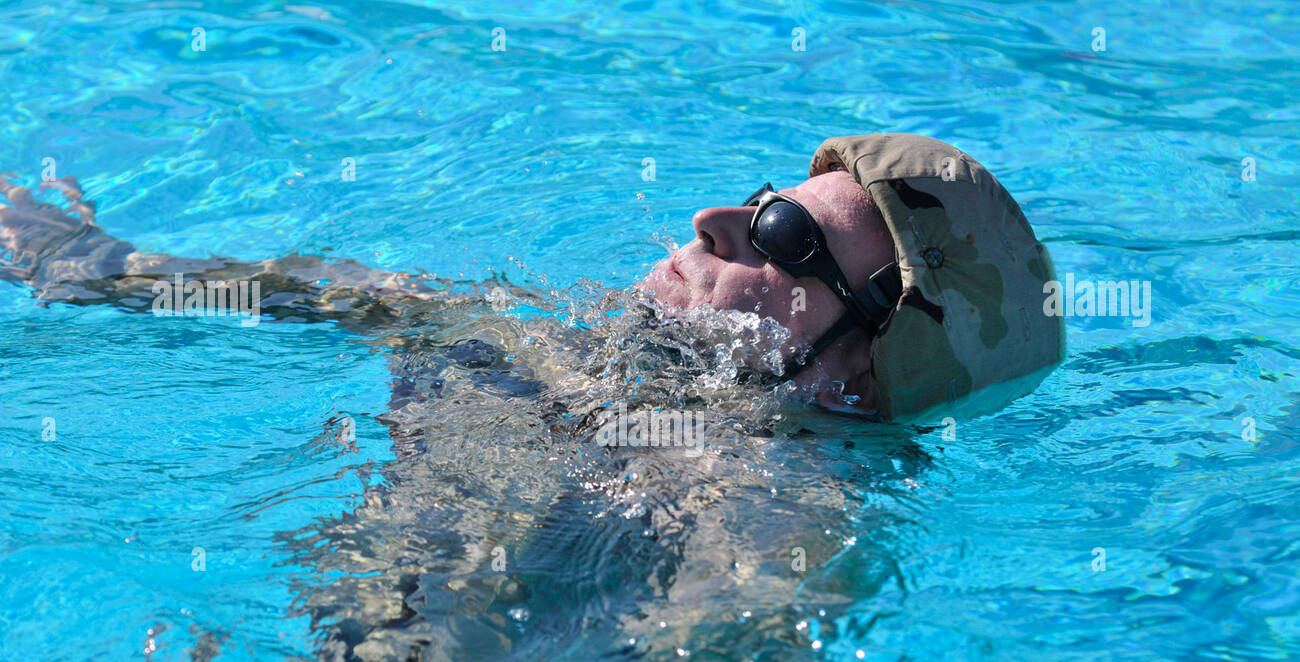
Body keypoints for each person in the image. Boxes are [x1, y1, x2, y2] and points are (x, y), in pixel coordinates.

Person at [2, 133, 1063, 422]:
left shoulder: (772, 518)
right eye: (755, 198)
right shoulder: (537, 336)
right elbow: (306, 288)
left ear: (859, 378)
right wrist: (83, 260)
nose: (711, 222)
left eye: (778, 233)